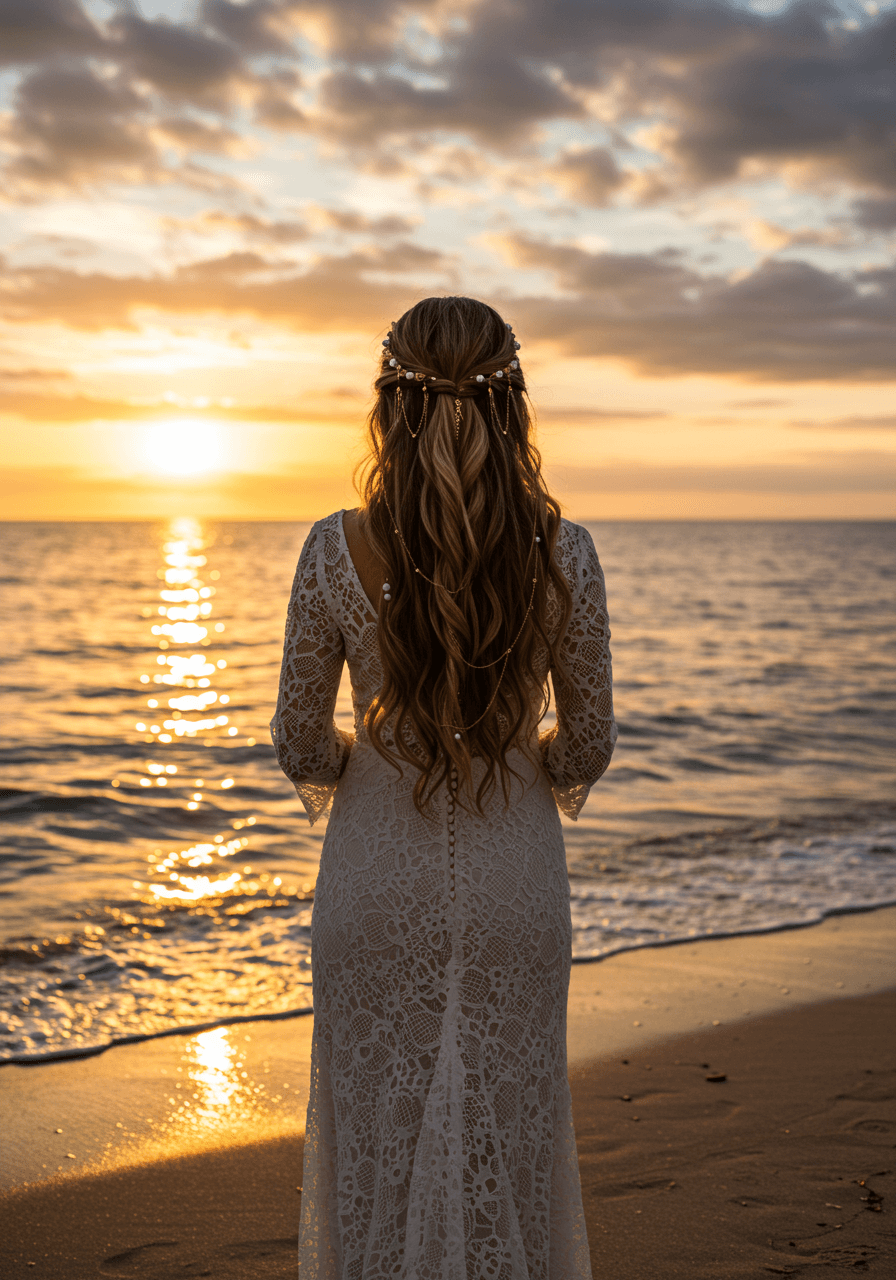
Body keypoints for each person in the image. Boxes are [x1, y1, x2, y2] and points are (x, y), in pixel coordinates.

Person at [271, 295, 616, 1279]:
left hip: (372, 878)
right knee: (507, 1139)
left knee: (377, 1146)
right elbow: (587, 740)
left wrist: (368, 764)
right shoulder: (568, 553)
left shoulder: (333, 547)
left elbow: (297, 740)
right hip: (514, 880)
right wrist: (519, 764)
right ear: (514, 409)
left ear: (389, 404)